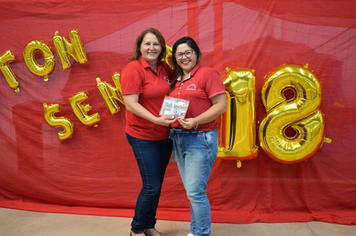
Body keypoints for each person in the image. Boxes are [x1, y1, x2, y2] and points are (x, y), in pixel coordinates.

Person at [168, 36, 227, 236]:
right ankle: (196, 231)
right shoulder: (177, 80)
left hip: (200, 138)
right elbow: (176, 109)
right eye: (179, 54)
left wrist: (195, 121)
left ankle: (201, 233)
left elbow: (221, 105)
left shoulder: (207, 74)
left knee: (195, 192)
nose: (184, 57)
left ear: (196, 53)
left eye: (187, 52)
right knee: (192, 193)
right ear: (174, 57)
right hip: (179, 138)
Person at [120, 28, 176, 236]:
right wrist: (156, 119)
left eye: (156, 44)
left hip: (165, 136)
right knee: (151, 185)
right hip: (142, 135)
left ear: (162, 48)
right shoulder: (132, 69)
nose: (152, 48)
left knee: (157, 184)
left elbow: (171, 96)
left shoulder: (165, 68)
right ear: (140, 47)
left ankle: (149, 226)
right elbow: (132, 105)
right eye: (147, 44)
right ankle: (136, 230)